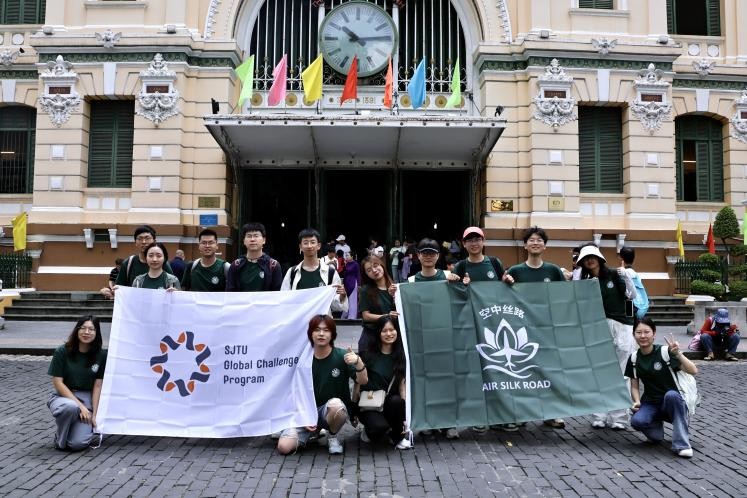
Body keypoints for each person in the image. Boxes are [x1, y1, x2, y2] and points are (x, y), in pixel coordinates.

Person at [277, 315, 368, 455]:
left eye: (326, 330)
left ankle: (332, 436)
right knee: (284, 447)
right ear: (310, 333)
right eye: (317, 330)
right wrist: (302, 416)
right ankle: (312, 433)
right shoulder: (302, 358)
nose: (321, 334)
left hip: (329, 411)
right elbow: (293, 390)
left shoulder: (341, 356)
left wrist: (358, 363)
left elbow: (363, 381)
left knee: (336, 405)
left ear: (332, 334)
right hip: (304, 412)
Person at [507, 226, 566, 429]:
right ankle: (523, 412)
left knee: (550, 372)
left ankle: (552, 413)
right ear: (525, 245)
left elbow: (564, 299)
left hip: (548, 331)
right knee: (524, 372)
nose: (535, 243)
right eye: (531, 240)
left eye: (539, 240)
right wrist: (505, 282)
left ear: (545, 246)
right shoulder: (515, 271)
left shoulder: (554, 271)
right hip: (522, 332)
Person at [577, 244, 637, 430]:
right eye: (585, 258)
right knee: (599, 372)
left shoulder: (615, 274)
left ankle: (619, 417)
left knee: (621, 373)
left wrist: (626, 276)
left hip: (621, 326)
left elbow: (631, 295)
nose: (590, 260)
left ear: (599, 258)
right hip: (597, 329)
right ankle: (599, 415)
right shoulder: (584, 282)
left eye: (592, 256)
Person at [625, 317, 698, 458]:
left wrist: (678, 354)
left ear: (654, 333)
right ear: (634, 335)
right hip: (651, 403)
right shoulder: (634, 358)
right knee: (637, 421)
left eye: (647, 332)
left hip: (673, 402)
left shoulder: (665, 352)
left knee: (671, 395)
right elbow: (634, 385)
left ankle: (682, 445)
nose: (643, 336)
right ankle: (656, 428)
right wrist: (637, 401)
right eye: (639, 332)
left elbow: (693, 370)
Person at [47, 315, 107, 451]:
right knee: (71, 407)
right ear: (77, 330)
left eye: (91, 329)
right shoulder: (62, 351)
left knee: (77, 444)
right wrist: (80, 407)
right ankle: (60, 440)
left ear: (97, 333)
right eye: (83, 328)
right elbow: (58, 382)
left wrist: (95, 414)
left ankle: (74, 428)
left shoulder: (101, 355)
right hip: (63, 397)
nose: (87, 332)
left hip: (87, 398)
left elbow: (97, 386)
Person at [357, 315, 411, 450]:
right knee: (378, 429)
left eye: (392, 330)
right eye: (384, 331)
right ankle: (370, 429)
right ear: (378, 333)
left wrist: (406, 415)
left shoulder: (401, 356)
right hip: (370, 403)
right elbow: (358, 384)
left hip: (390, 403)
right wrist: (353, 409)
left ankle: (397, 436)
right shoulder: (367, 355)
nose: (389, 334)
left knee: (397, 401)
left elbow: (402, 387)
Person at [281, 228, 348, 314]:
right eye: (305, 243)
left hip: (322, 321)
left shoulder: (330, 272)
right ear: (300, 246)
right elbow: (284, 300)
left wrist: (342, 296)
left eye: (312, 242)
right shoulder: (292, 272)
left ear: (318, 246)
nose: (309, 246)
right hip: (298, 320)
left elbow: (335, 306)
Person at [101, 225, 174, 297]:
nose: (144, 242)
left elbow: (173, 288)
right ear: (135, 243)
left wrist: (174, 291)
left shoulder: (163, 263)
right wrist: (109, 290)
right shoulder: (128, 263)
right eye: (140, 238)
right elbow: (119, 288)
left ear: (154, 241)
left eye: (147, 238)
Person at [226, 222, 282, 292]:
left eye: (256, 236)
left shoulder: (273, 265)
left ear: (264, 240)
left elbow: (277, 294)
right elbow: (230, 293)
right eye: (249, 236)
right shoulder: (235, 265)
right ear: (244, 241)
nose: (252, 239)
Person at [359, 255, 397, 351]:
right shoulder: (365, 290)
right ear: (366, 274)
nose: (374, 270)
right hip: (372, 337)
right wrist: (386, 316)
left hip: (392, 337)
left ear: (381, 265)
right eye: (369, 270)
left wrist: (394, 297)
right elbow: (366, 316)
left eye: (375, 265)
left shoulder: (395, 287)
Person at [619, 247, 649, 319]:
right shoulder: (635, 274)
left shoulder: (624, 273)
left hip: (631, 307)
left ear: (621, 258)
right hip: (641, 307)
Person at [341, 251, 361, 319]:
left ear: (352, 256)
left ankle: (352, 316)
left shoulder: (356, 264)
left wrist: (359, 284)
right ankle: (345, 314)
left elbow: (358, 274)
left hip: (353, 282)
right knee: (346, 299)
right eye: (346, 256)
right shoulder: (347, 264)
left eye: (348, 255)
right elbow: (345, 274)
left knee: (352, 300)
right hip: (347, 283)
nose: (346, 257)